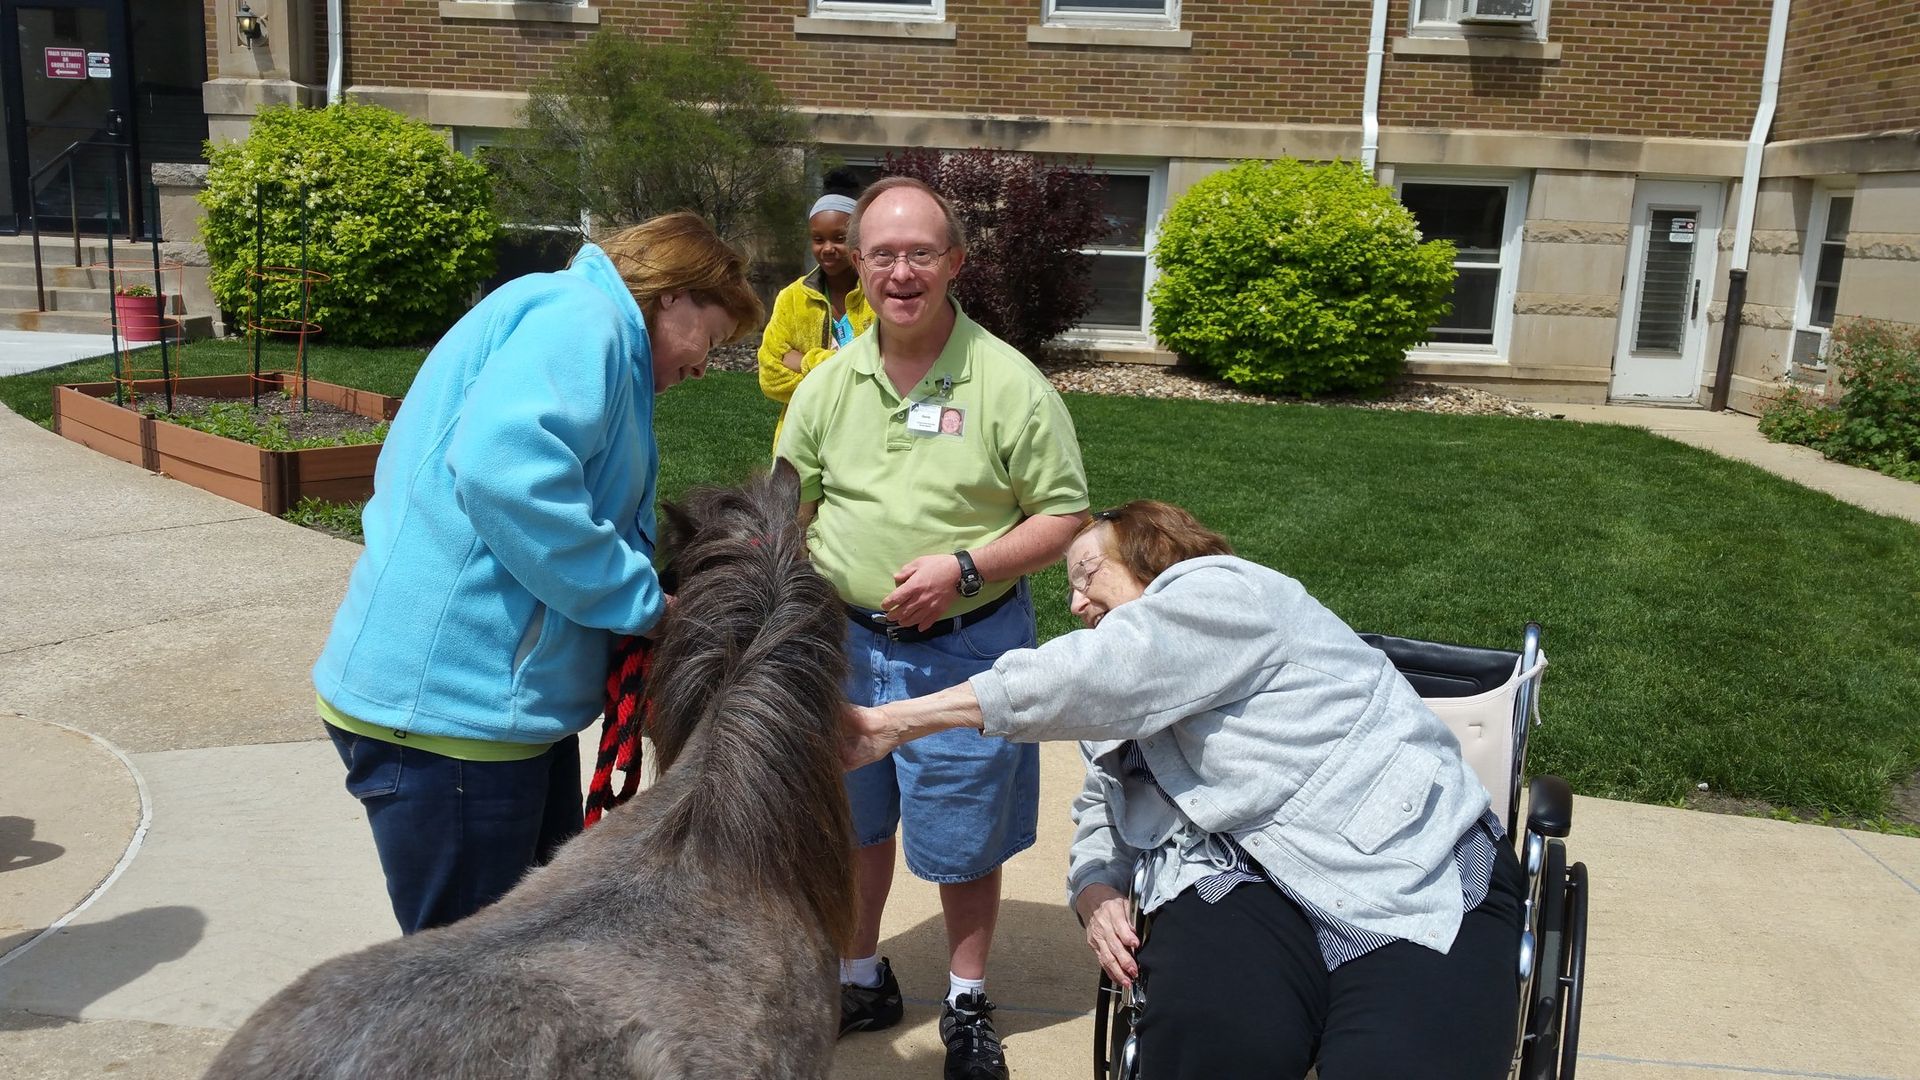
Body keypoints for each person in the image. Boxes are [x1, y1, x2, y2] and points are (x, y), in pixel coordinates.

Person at [842, 501, 1527, 1080]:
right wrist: (1094, 887)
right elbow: (1101, 809)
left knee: (1403, 1059)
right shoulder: (1122, 705)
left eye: (1087, 575)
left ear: (1156, 555)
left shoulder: (1226, 593)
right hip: (1233, 882)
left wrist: (895, 723)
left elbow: (1105, 667)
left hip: (1399, 871)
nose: (1077, 603)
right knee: (1210, 1042)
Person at [312, 212, 763, 935]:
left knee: (533, 957)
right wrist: (644, 604)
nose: (705, 365)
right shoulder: (584, 321)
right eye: (710, 339)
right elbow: (505, 474)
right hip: (455, 724)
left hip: (494, 718)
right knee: (472, 990)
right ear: (673, 293)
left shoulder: (573, 318)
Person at [776, 176, 1089, 1080]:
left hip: (966, 647)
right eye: (882, 255)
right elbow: (788, 506)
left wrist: (966, 568)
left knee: (962, 836)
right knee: (852, 822)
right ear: (854, 265)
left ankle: (965, 1001)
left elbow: (1064, 515)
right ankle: (860, 975)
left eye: (921, 254)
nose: (901, 273)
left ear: (955, 262)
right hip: (844, 646)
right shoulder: (830, 385)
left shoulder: (1007, 383)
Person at [758, 176, 876, 450]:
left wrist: (804, 361)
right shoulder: (793, 298)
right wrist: (844, 369)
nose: (827, 249)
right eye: (818, 239)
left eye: (839, 238)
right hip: (801, 438)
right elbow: (771, 377)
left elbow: (883, 373)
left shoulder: (877, 296)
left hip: (864, 441)